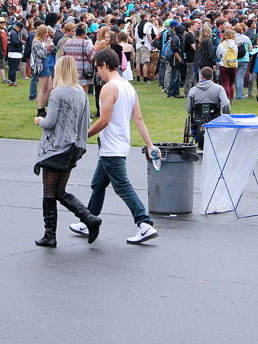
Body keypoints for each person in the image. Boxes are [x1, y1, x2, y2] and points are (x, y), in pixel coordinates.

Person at [68, 48, 161, 244]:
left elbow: (104, 120)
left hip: (112, 146)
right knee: (98, 184)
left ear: (104, 65)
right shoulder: (128, 87)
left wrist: (82, 137)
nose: (97, 74)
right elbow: (139, 118)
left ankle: (144, 223)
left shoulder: (109, 88)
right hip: (117, 145)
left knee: (122, 186)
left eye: (97, 69)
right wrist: (150, 145)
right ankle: (88, 220)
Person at [32, 56, 102, 247]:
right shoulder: (81, 94)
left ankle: (50, 234)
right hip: (71, 148)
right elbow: (85, 122)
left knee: (49, 192)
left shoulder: (58, 93)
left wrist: (40, 121)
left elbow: (51, 122)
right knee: (60, 192)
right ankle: (89, 218)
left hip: (55, 149)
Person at [32, 25, 55, 118]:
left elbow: (46, 54)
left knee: (49, 88)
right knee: (43, 89)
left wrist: (49, 48)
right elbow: (41, 54)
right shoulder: (36, 42)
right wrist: (46, 46)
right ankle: (40, 109)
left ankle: (44, 107)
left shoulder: (42, 42)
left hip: (46, 65)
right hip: (41, 67)